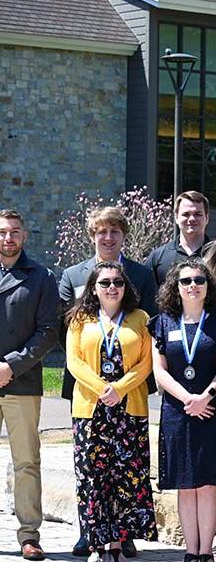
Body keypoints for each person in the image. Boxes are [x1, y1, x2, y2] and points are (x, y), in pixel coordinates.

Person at [59, 206, 157, 557]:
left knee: (126, 475)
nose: (112, 286)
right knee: (92, 476)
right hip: (90, 403)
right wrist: (102, 389)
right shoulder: (77, 305)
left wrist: (121, 388)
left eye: (117, 282)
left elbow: (148, 359)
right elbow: (72, 358)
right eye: (105, 282)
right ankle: (93, 535)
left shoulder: (141, 306)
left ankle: (121, 536)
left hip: (129, 403)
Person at [148, 259, 216, 562]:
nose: (193, 286)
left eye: (199, 280)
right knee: (185, 485)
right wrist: (189, 398)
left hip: (210, 412)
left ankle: (206, 552)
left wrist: (205, 397)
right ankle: (191, 551)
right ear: (176, 286)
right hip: (177, 412)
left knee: (208, 484)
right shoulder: (162, 322)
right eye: (186, 281)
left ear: (208, 285)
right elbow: (159, 371)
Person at [0, 209, 59, 561]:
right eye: (3, 232)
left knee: (26, 462)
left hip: (21, 383)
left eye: (14, 232)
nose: (8, 238)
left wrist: (11, 365)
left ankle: (29, 535)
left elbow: (48, 331)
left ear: (25, 236)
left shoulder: (41, 277)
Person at [146, 191, 211, 287]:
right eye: (186, 214)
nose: (192, 218)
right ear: (176, 217)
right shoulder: (158, 257)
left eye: (198, 214)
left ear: (207, 218)